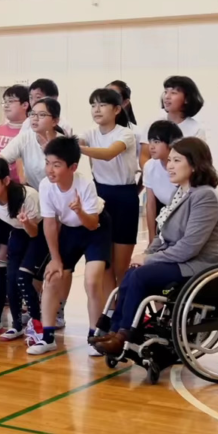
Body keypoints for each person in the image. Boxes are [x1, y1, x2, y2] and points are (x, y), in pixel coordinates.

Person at [93, 137, 218, 355]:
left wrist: (149, 259)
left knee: (140, 275)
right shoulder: (179, 193)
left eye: (176, 161)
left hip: (198, 265)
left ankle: (124, 334)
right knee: (132, 272)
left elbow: (189, 247)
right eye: (169, 160)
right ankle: (115, 331)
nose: (169, 166)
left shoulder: (205, 196)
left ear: (194, 164)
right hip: (180, 261)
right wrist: (147, 253)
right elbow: (163, 236)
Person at [34, 136, 111, 356]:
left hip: (95, 229)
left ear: (73, 167)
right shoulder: (45, 185)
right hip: (69, 230)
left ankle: (95, 337)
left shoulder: (85, 184)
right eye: (48, 163)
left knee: (92, 281)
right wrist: (55, 259)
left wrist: (79, 210)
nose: (50, 170)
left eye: (56, 165)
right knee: (52, 277)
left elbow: (93, 223)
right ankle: (47, 337)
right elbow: (50, 223)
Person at [0, 158, 46, 339]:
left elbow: (35, 232)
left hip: (39, 233)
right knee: (10, 279)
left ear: (5, 180)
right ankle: (17, 325)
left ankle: (38, 325)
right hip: (19, 232)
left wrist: (26, 222)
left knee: (23, 278)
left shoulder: (28, 196)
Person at [79, 88, 138, 290]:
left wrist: (79, 148)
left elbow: (108, 153)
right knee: (104, 264)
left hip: (124, 197)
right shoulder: (89, 133)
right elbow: (75, 142)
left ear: (117, 109)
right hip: (100, 195)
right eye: (93, 105)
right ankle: (109, 307)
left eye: (102, 105)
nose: (96, 109)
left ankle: (124, 304)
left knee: (121, 266)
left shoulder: (125, 133)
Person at [0, 98, 63, 189]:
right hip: (34, 192)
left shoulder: (64, 143)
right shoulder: (25, 137)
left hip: (59, 193)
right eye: (32, 114)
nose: (35, 119)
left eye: (42, 115)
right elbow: (0, 160)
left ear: (55, 121)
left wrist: (51, 153)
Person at [144, 120, 184, 244]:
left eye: (156, 142)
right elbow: (150, 204)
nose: (151, 146)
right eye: (150, 141)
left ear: (171, 143)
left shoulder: (184, 166)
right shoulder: (149, 166)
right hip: (165, 212)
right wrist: (152, 239)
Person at [0, 85, 29, 181]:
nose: (6, 105)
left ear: (25, 105)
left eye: (11, 101)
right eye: (5, 102)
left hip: (22, 185)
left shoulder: (30, 133)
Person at [107, 81, 148, 169]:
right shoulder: (94, 131)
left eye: (113, 96)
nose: (107, 100)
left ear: (125, 102)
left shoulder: (136, 132)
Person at [161, 76, 206, 140]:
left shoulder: (196, 130)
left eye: (173, 93)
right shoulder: (154, 124)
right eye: (166, 92)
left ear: (187, 99)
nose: (167, 97)